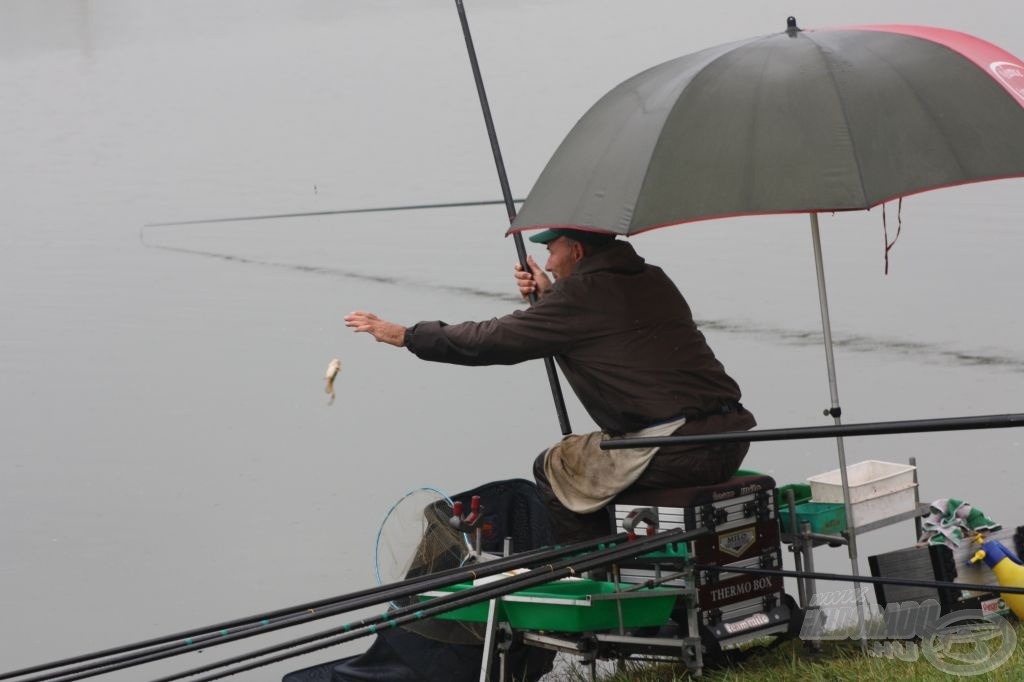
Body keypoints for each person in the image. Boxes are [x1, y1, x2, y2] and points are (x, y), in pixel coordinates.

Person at [344, 228, 755, 542]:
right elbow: (603, 326)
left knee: (555, 465)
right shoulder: (651, 278)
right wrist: (549, 295)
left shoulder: (581, 296)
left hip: (678, 450)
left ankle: (597, 576)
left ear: (576, 251)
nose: (550, 261)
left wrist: (407, 335)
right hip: (729, 436)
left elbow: (492, 340)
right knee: (589, 460)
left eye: (552, 251)